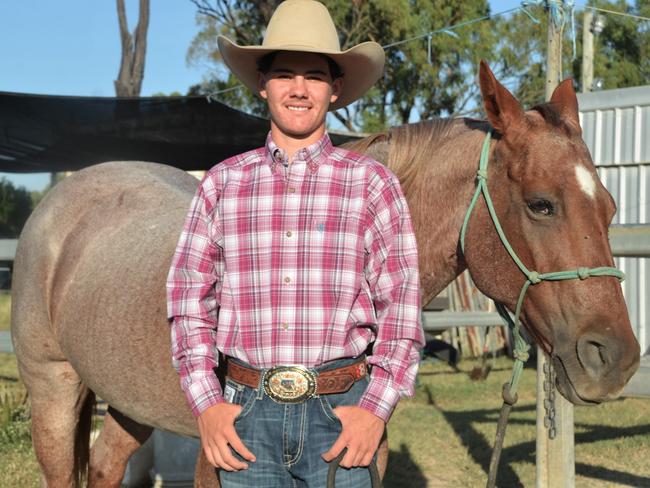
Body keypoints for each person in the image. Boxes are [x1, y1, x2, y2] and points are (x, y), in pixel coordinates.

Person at [166, 1, 424, 486]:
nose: (300, 89)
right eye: (285, 74)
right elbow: (188, 300)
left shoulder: (372, 184)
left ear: (336, 87)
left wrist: (376, 409)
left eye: (314, 76)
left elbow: (402, 307)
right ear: (263, 84)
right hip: (245, 416)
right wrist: (206, 405)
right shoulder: (222, 184)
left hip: (341, 413)